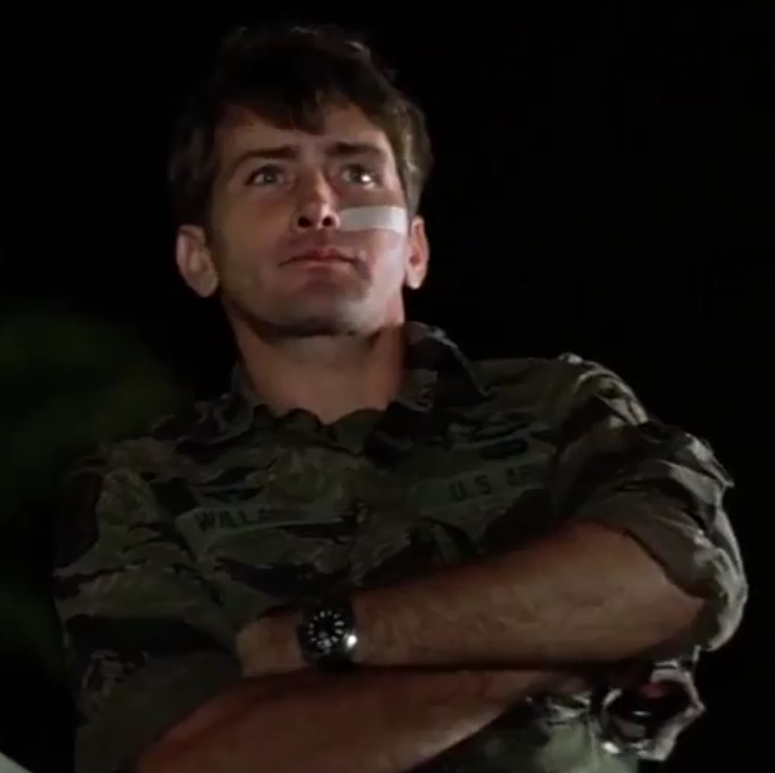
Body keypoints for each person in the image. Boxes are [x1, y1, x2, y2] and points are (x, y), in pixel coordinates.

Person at [51, 24, 747, 773]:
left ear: (414, 250)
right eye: (267, 175)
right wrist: (535, 658)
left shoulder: (559, 411)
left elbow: (677, 579)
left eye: (357, 174)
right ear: (199, 259)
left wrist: (322, 637)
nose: (320, 207)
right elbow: (182, 762)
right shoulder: (143, 489)